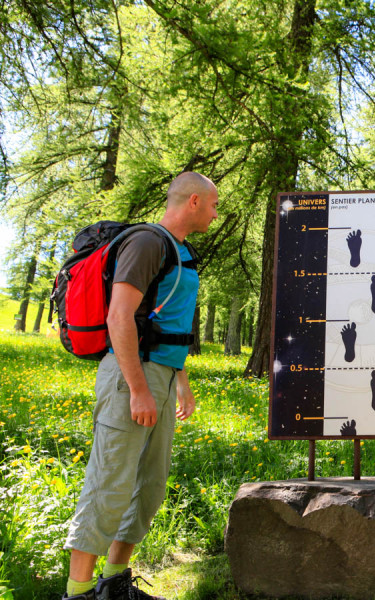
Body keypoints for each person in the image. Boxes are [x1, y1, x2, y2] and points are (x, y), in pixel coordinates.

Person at [63, 172, 218, 600]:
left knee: (148, 486)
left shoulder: (181, 250)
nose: (215, 212)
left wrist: (180, 380)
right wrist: (138, 389)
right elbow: (119, 317)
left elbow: (167, 322)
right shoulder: (148, 242)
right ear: (192, 201)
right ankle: (77, 594)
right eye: (213, 204)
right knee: (109, 482)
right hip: (131, 376)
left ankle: (113, 583)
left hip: (162, 376)